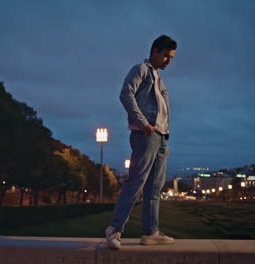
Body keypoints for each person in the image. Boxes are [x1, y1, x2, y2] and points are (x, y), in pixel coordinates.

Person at [105, 35, 177, 249]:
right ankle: (114, 230)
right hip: (146, 134)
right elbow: (126, 94)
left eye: (171, 58)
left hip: (160, 137)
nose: (168, 61)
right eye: (165, 55)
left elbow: (163, 111)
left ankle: (150, 232)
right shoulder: (141, 70)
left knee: (155, 188)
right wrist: (143, 123)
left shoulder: (158, 78)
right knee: (136, 183)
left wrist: (165, 139)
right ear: (154, 51)